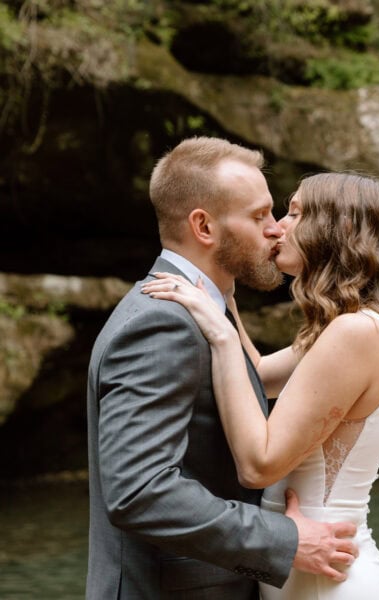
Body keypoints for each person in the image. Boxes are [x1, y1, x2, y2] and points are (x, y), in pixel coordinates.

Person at [142, 172, 379, 599]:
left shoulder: (356, 334)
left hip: (329, 581)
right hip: (307, 573)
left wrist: (221, 336)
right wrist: (224, 293)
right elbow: (254, 374)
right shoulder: (350, 327)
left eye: (294, 213)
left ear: (335, 230)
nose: (278, 226)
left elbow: (259, 464)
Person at [86, 137, 358, 599]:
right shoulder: (160, 323)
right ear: (204, 227)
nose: (276, 230)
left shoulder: (204, 313)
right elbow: (139, 491)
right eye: (258, 217)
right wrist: (284, 541)